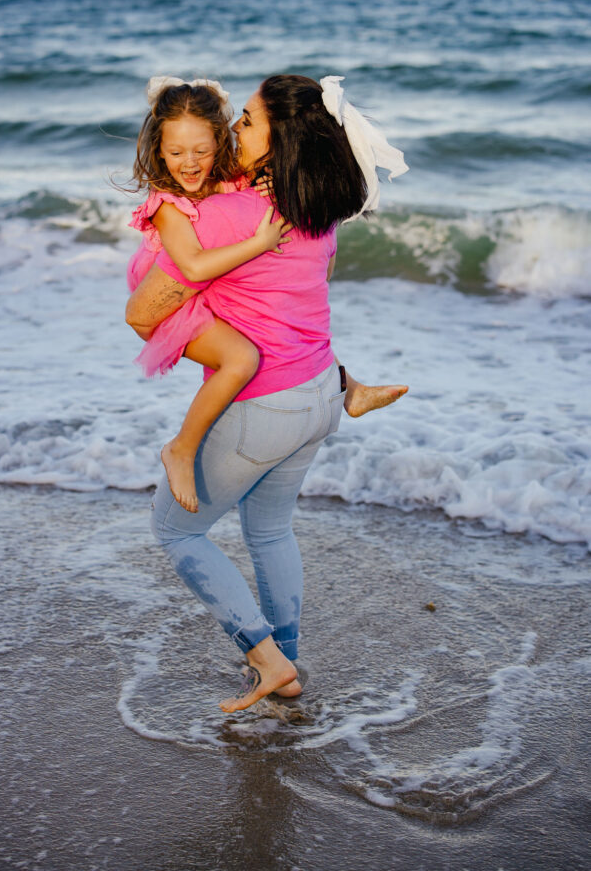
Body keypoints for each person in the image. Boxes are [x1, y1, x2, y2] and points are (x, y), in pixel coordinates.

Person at [125, 75, 409, 713]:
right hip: (319, 398)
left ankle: (265, 658)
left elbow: (143, 315)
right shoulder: (316, 210)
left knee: (178, 532)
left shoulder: (217, 214)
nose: (234, 132)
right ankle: (286, 661)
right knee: (271, 530)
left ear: (279, 142)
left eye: (247, 122)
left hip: (265, 404)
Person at [125, 76, 292, 514]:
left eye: (202, 151)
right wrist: (261, 242)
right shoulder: (166, 204)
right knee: (242, 359)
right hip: (176, 303)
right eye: (176, 153)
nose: (190, 164)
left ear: (220, 142)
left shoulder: (229, 178)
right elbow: (194, 266)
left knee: (283, 319)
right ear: (158, 151)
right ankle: (180, 449)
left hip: (214, 287)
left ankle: (344, 385)